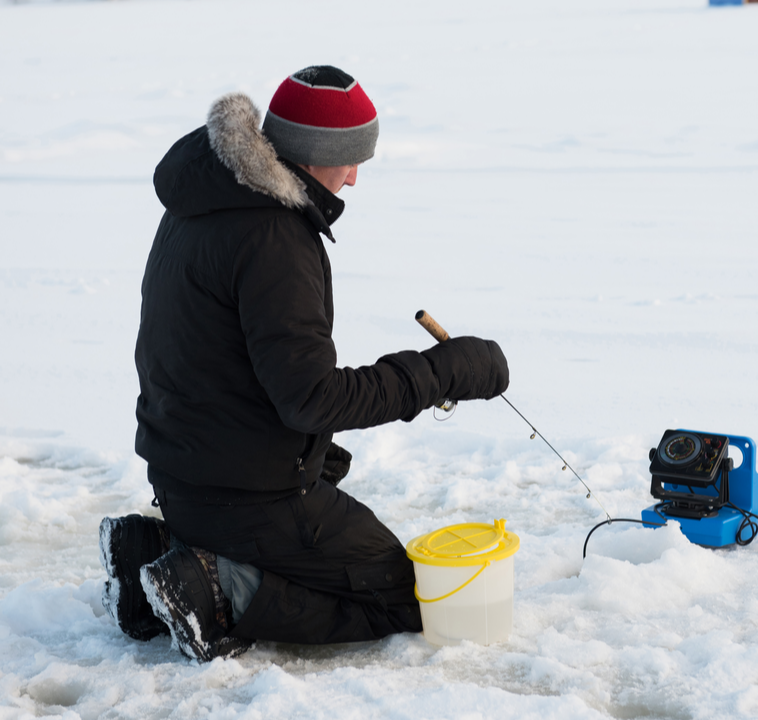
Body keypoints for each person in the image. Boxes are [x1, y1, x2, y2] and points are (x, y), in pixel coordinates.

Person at [98, 66, 509, 662]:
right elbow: (312, 397)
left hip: (185, 473)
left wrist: (310, 448)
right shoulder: (273, 237)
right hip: (242, 495)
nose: (355, 177)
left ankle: (157, 548)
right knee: (408, 596)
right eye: (349, 158)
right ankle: (214, 588)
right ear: (315, 154)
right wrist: (445, 372)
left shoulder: (209, 196)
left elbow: (231, 367)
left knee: (326, 481)